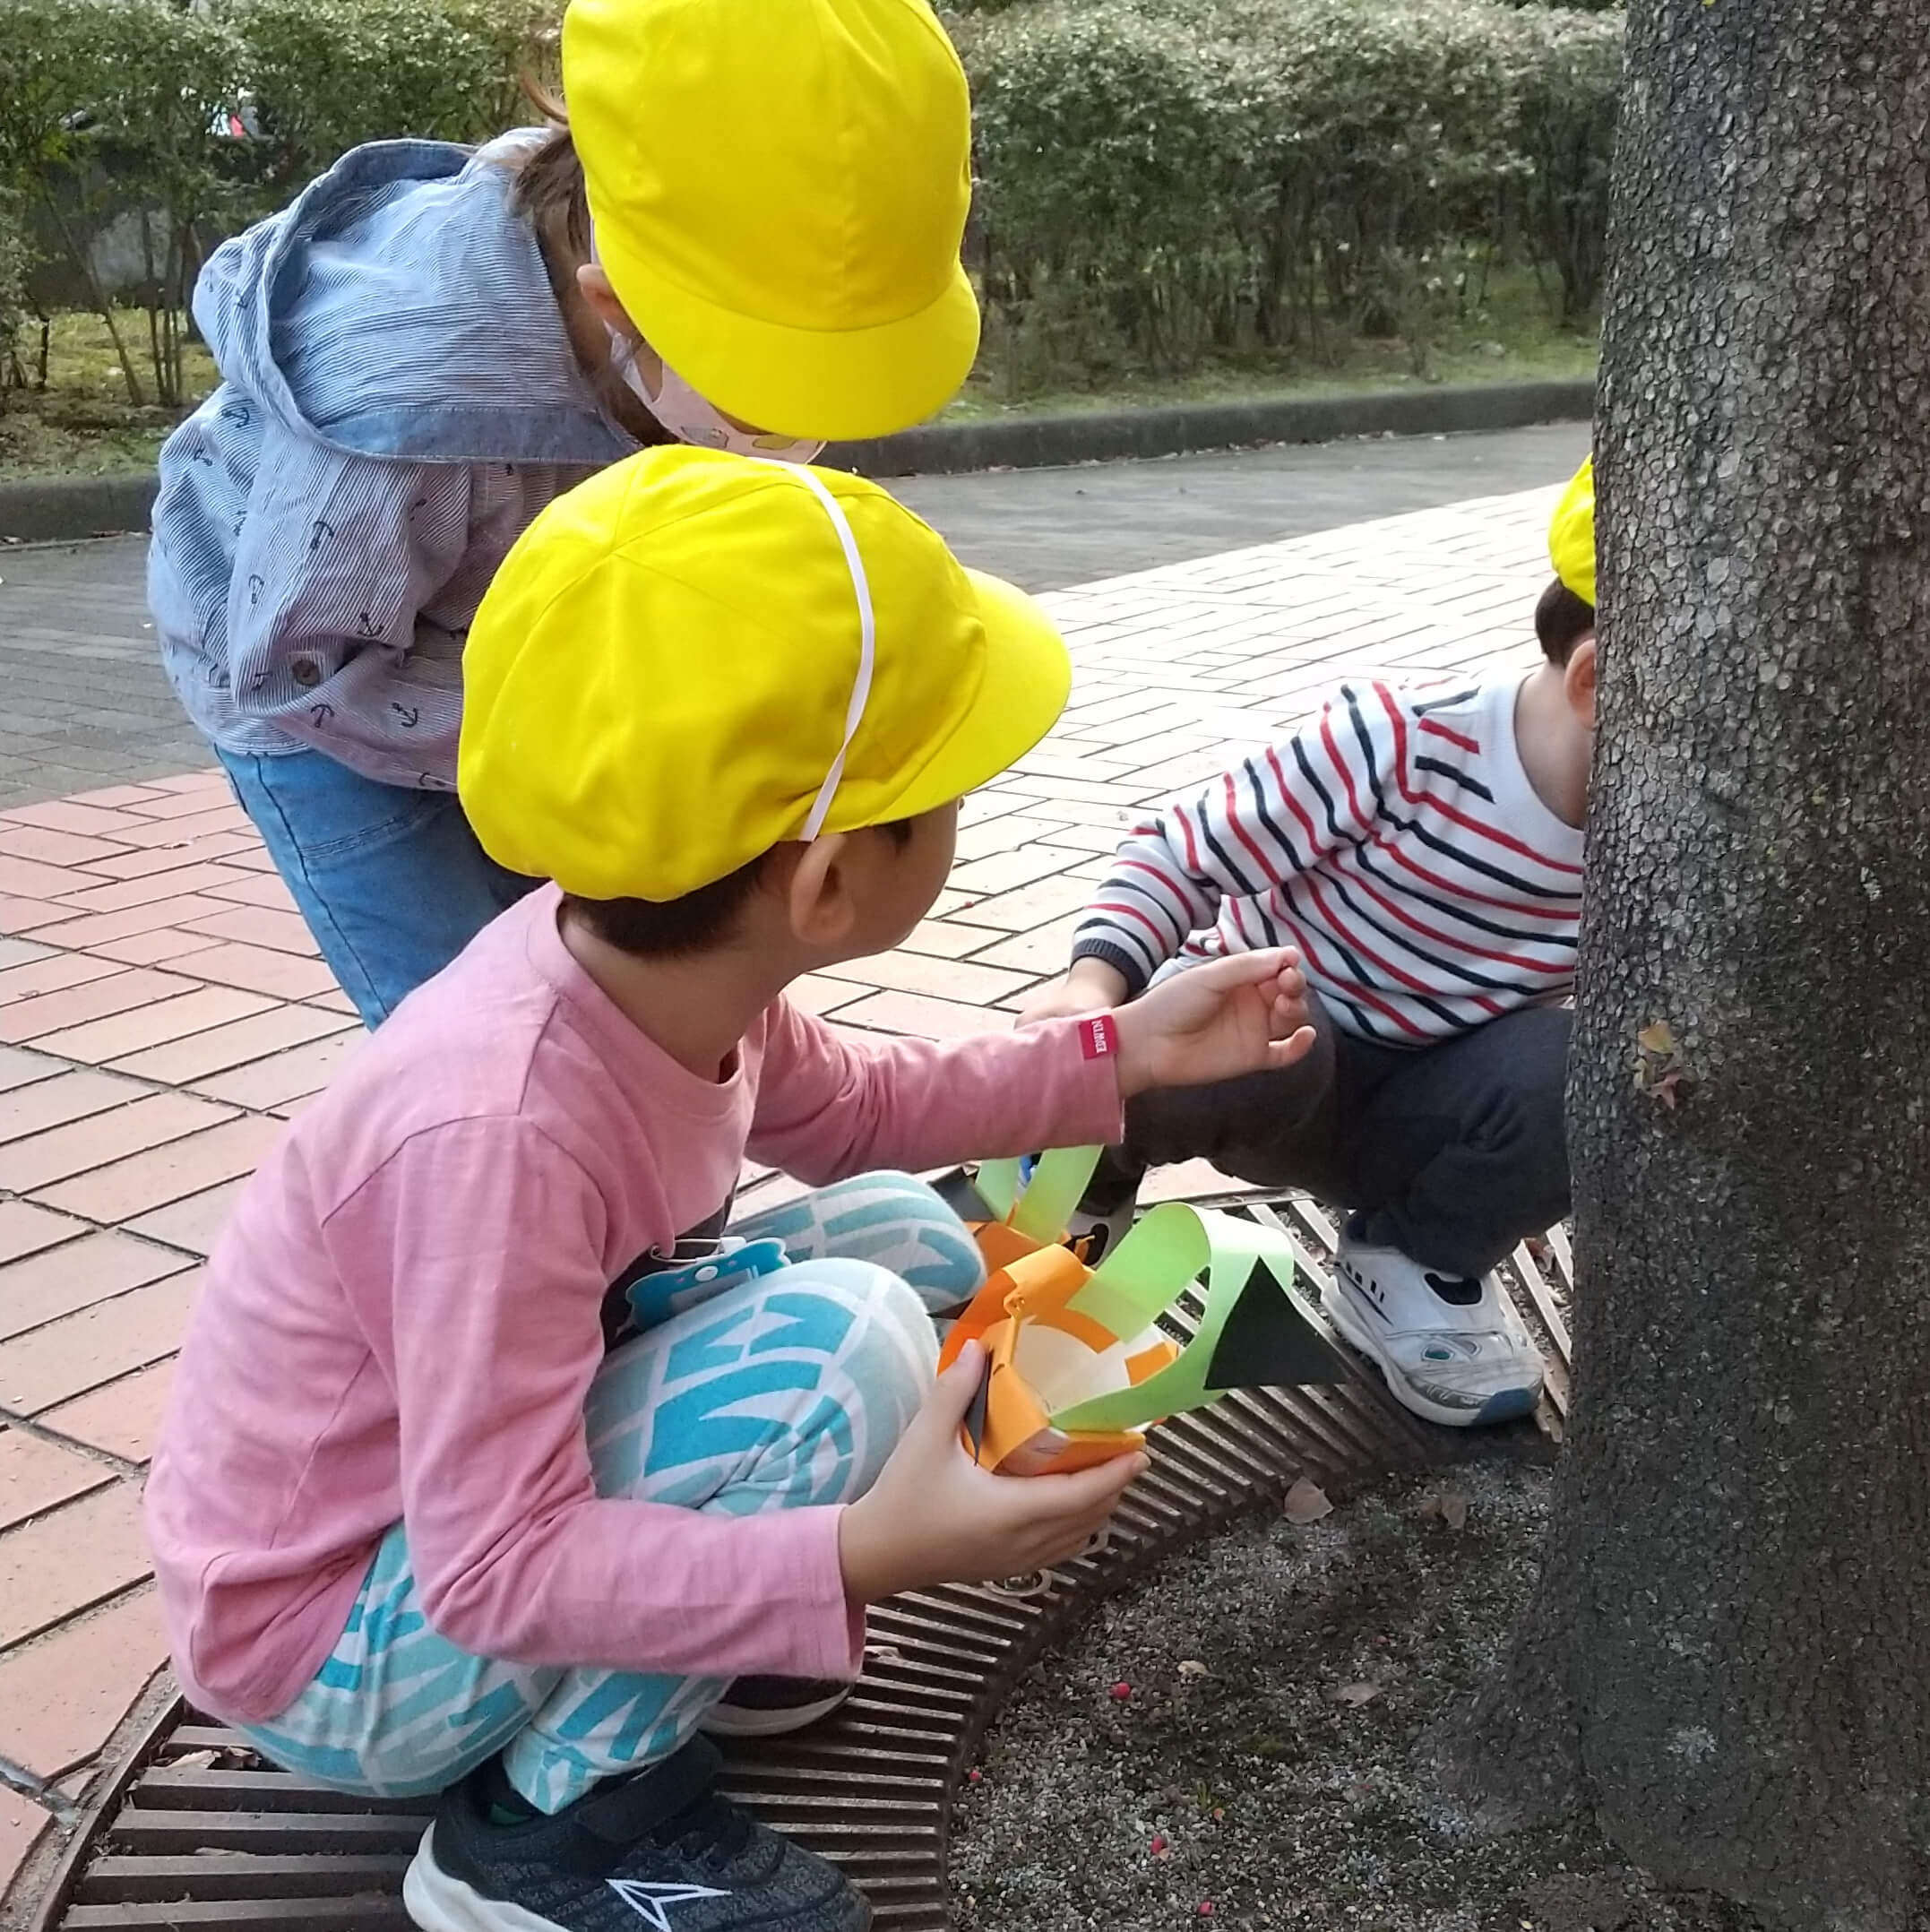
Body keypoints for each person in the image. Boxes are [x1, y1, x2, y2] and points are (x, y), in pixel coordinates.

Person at [145, 445, 1317, 1932]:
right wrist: (867, 1550)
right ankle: (544, 1830)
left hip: (435, 1526)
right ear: (826, 882)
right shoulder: (497, 1131)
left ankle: (707, 1635)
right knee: (841, 1348)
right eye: (945, 790)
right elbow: (498, 1570)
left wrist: (1125, 1051)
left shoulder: (657, 972)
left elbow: (864, 1113)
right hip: (338, 1642)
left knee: (903, 1240)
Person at [146, 0, 981, 1027]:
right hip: (314, 686)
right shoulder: (399, 415)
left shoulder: (635, 220)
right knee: (474, 1028)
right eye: (772, 389)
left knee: (622, 1000)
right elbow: (294, 667)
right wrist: (581, 732)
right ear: (619, 304)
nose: (802, 432)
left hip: (528, 654)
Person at [1020, 458, 1599, 1429]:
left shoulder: (1655, 851)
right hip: (1269, 1058)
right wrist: (1092, 983)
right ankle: (1091, 1175)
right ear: (1594, 677)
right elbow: (1183, 848)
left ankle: (1414, 1259)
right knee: (1242, 1004)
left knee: (1586, 1066)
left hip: (1424, 1114)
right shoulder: (1402, 746)